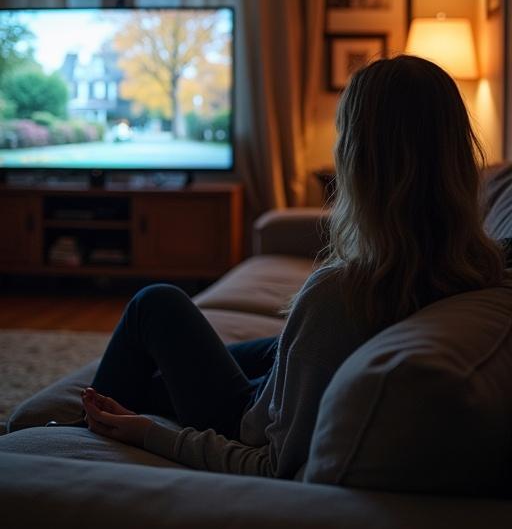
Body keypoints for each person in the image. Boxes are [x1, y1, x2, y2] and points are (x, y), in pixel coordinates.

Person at [80, 55, 506, 479]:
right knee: (175, 371)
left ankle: (75, 438)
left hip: (245, 417)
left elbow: (271, 464)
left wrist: (148, 433)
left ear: (358, 157)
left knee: (155, 304)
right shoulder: (478, 261)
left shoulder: (337, 296)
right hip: (288, 381)